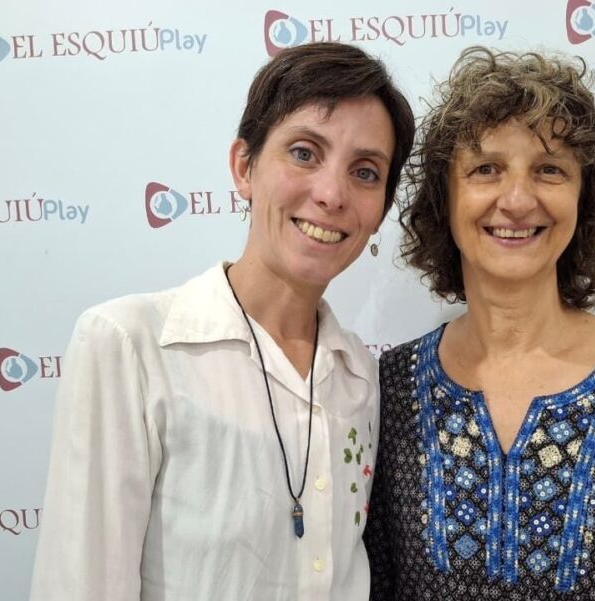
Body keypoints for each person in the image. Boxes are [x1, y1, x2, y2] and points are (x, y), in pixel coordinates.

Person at [30, 42, 414, 601]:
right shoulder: (132, 346)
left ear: (380, 208)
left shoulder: (359, 375)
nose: (331, 194)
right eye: (304, 153)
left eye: (365, 171)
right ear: (244, 167)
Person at [364, 47, 595, 600]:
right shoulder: (391, 387)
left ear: (585, 197)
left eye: (549, 169)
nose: (516, 200)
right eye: (486, 169)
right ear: (446, 197)